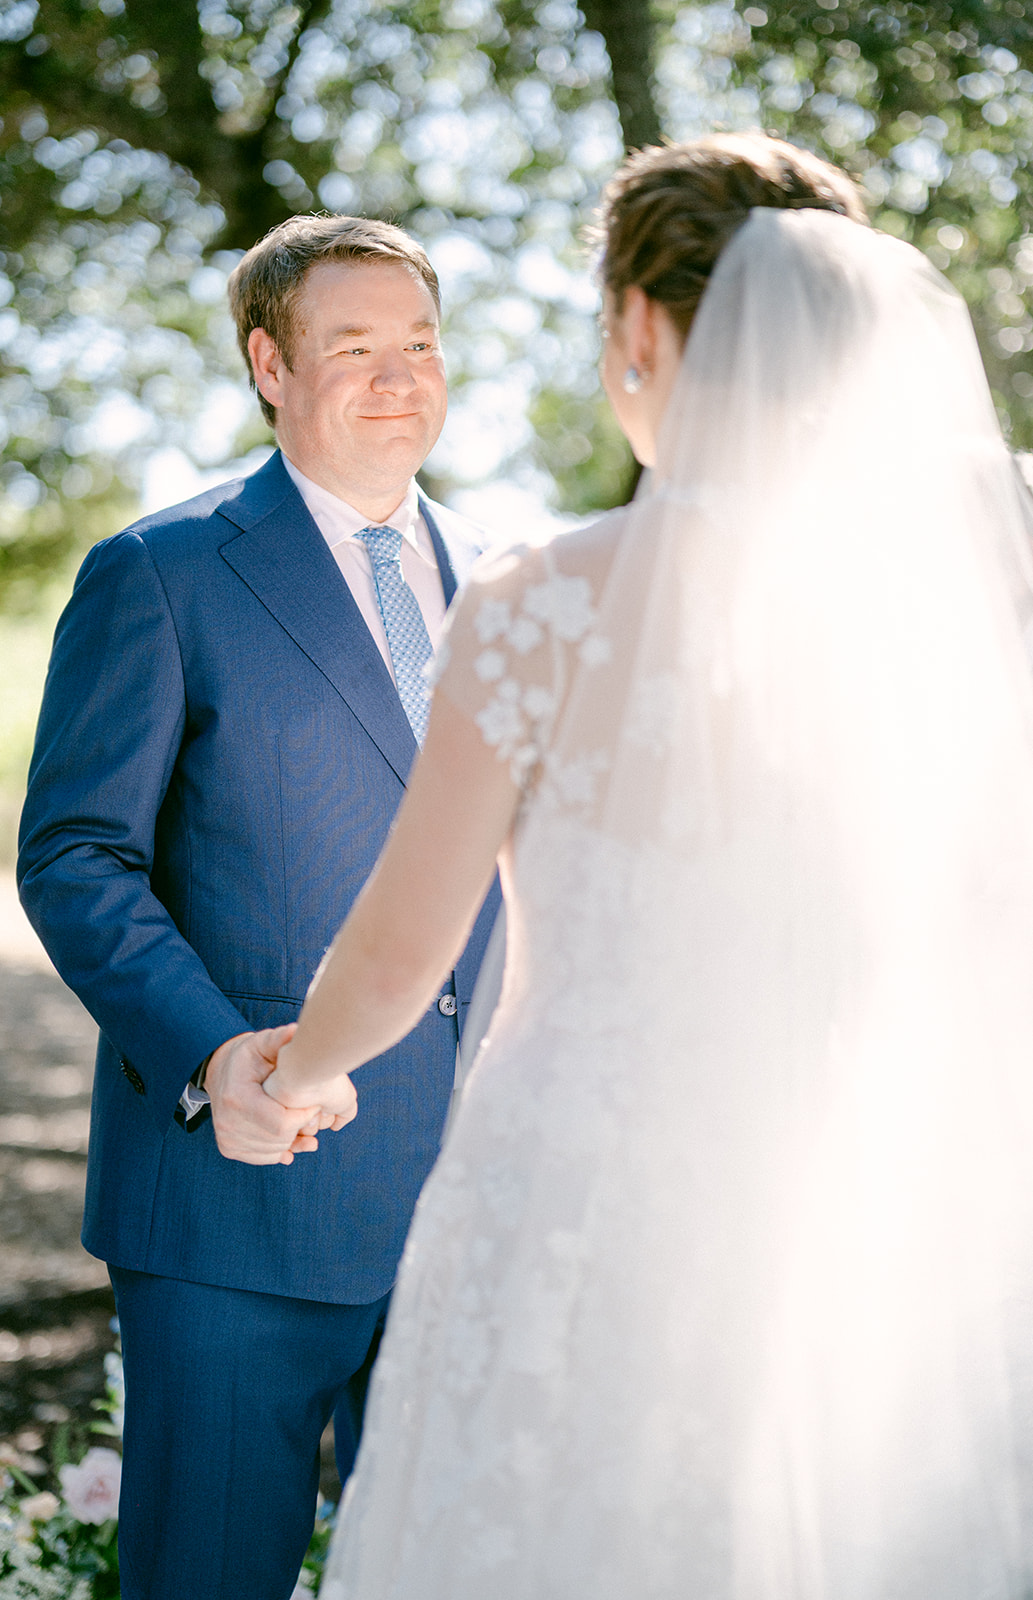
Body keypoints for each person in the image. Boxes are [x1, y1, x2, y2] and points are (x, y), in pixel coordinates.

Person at [256, 134, 1033, 1597]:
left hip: (586, 1192)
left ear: (635, 328)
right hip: (868, 1168)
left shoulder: (540, 602)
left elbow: (400, 949)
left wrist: (293, 1077)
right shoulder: (974, 602)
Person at [16, 214, 500, 1600]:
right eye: (354, 348)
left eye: (419, 343)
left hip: (479, 1201)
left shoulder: (514, 584)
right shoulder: (160, 574)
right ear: (269, 364)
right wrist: (217, 1058)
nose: (399, 376)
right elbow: (76, 855)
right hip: (242, 1199)